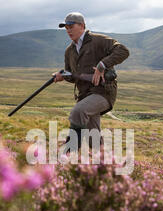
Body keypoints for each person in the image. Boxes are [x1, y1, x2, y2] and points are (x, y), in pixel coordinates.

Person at [53, 12, 130, 152]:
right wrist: (63, 76)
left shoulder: (98, 40)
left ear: (81, 26)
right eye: (66, 27)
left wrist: (102, 65)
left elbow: (123, 51)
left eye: (71, 26)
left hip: (103, 92)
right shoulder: (69, 51)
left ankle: (68, 154)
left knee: (78, 112)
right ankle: (103, 167)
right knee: (93, 138)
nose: (68, 30)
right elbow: (73, 75)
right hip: (85, 95)